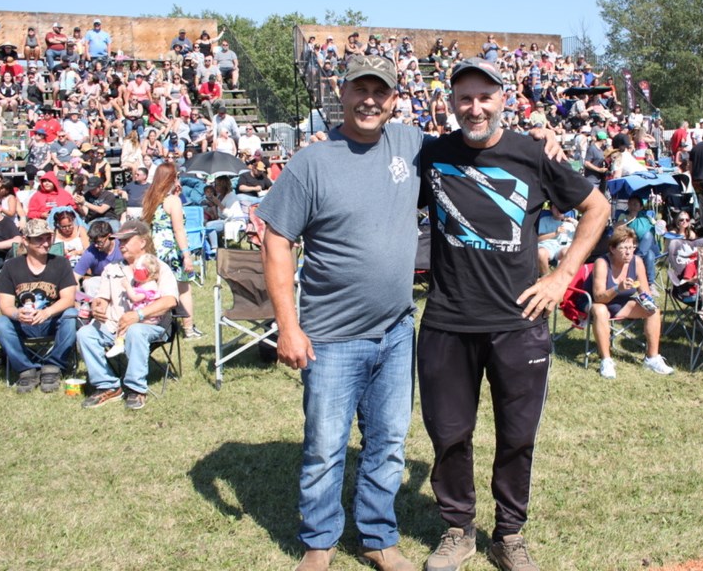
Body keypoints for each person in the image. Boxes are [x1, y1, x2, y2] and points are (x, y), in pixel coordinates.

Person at [417, 58, 607, 571]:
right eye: (464, 98)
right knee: (448, 433)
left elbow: (598, 208)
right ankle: (458, 530)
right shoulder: (432, 156)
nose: (474, 107)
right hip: (447, 321)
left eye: (484, 96)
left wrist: (562, 276)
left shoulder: (531, 153)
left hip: (517, 323)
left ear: (503, 99)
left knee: (517, 435)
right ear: (451, 103)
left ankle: (508, 534)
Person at [259, 54, 421, 571]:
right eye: (360, 90)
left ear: (394, 99)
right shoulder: (313, 162)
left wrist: (539, 141)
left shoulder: (411, 144)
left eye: (381, 91)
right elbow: (276, 240)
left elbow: (474, 145)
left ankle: (377, 536)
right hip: (330, 337)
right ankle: (320, 542)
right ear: (342, 93)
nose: (370, 100)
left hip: (396, 330)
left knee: (389, 442)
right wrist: (288, 326)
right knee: (325, 448)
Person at [77, 220, 179, 411]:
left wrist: (138, 314)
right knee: (85, 334)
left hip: (150, 325)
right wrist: (97, 306)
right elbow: (102, 297)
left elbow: (170, 301)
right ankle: (107, 385)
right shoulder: (112, 268)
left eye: (126, 240)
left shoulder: (158, 267)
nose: (121, 245)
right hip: (114, 326)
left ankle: (135, 388)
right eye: (120, 241)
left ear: (142, 242)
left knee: (136, 331)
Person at [0, 219, 77, 393]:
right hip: (24, 323)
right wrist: (17, 314)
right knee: (0, 324)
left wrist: (47, 312)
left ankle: (53, 367)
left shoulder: (61, 263)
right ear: (26, 240)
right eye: (39, 239)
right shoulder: (11, 267)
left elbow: (68, 299)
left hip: (52, 321)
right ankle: (26, 369)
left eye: (48, 238)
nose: (45, 243)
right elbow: (6, 304)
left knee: (71, 315)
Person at [590, 226, 670, 380]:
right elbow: (598, 297)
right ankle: (606, 360)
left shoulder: (637, 261)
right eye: (624, 248)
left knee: (653, 310)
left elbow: (645, 292)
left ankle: (652, 358)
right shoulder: (602, 262)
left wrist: (647, 301)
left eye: (632, 247)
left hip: (621, 305)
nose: (629, 252)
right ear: (612, 249)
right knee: (600, 310)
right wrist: (617, 289)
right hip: (599, 303)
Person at [140, 162, 200, 339]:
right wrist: (187, 255)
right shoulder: (173, 201)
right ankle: (188, 328)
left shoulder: (150, 199)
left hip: (155, 249)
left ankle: (159, 325)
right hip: (172, 249)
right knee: (183, 289)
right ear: (172, 179)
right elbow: (178, 230)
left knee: (160, 289)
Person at [104, 253, 162, 358]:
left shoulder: (150, 286)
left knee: (127, 323)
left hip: (148, 318)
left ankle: (120, 345)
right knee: (125, 322)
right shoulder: (143, 284)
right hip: (142, 316)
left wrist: (127, 287)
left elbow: (135, 298)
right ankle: (120, 343)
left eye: (136, 271)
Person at [73, 220, 122, 295]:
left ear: (110, 236)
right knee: (89, 283)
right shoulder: (90, 252)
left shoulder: (122, 245)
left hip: (123, 280)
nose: (96, 245)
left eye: (99, 242)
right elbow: (75, 277)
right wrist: (79, 300)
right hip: (102, 282)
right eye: (93, 242)